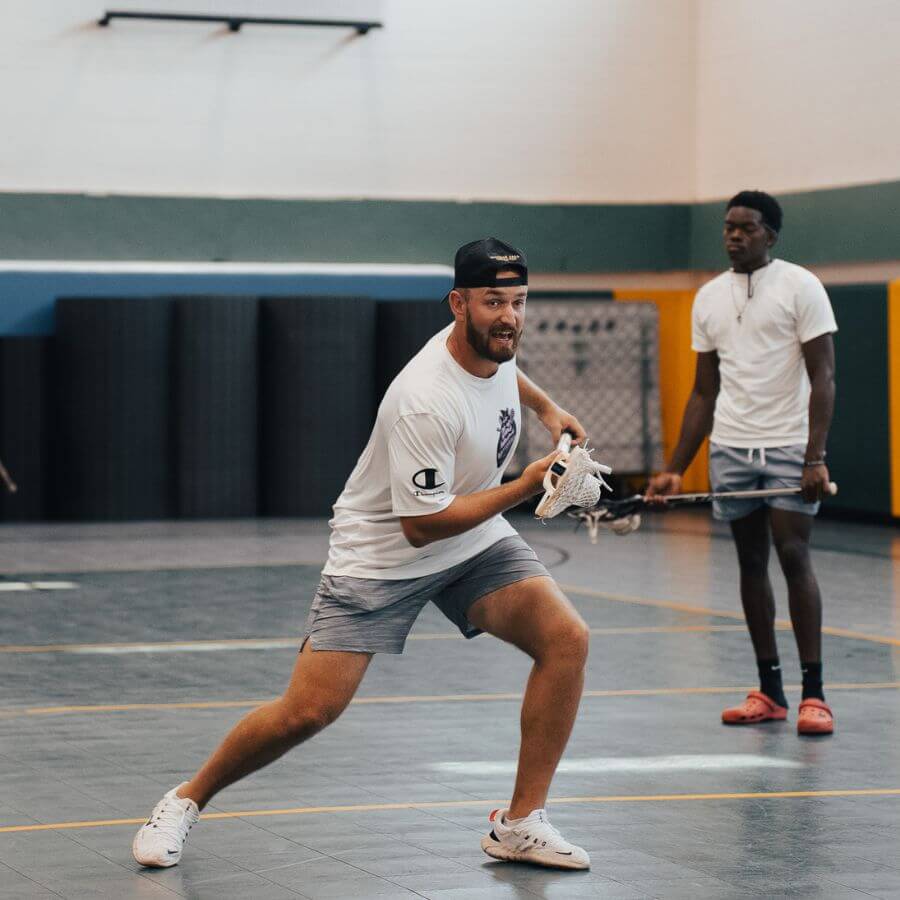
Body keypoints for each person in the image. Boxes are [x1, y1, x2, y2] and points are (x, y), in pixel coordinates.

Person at [132, 238, 595, 871]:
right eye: (493, 302)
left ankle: (520, 823)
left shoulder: (491, 347)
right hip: (384, 553)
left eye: (518, 301)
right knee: (307, 712)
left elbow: (510, 369)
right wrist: (528, 483)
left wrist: (548, 407)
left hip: (473, 533)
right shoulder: (424, 398)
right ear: (458, 305)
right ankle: (185, 799)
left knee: (565, 639)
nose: (509, 316)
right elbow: (421, 527)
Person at [646, 191, 837, 736]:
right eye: (728, 227)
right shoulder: (707, 298)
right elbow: (704, 393)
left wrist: (814, 456)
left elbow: (824, 377)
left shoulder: (802, 287)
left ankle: (815, 693)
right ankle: (770, 690)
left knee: (793, 555)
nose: (733, 236)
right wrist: (677, 467)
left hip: (788, 446)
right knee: (749, 564)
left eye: (746, 228)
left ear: (770, 235)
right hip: (731, 447)